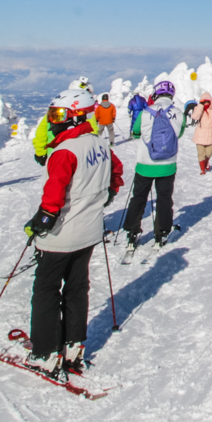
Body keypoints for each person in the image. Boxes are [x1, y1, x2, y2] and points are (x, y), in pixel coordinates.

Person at [22, 90, 123, 375]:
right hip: (90, 232)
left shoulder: (64, 151)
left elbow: (54, 194)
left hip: (61, 236)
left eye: (57, 115)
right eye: (52, 114)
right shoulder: (99, 144)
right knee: (77, 287)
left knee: (46, 290)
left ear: (74, 116)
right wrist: (106, 197)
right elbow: (116, 172)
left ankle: (45, 352)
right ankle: (73, 347)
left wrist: (44, 220)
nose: (53, 120)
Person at [123, 81, 181, 256]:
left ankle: (132, 232)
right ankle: (161, 232)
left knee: (138, 197)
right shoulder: (178, 113)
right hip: (167, 165)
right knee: (164, 198)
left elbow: (135, 131)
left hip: (145, 164)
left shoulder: (146, 111)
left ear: (156, 94)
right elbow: (180, 133)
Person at [188, 91, 212, 174]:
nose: (206, 103)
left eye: (207, 101)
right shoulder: (198, 109)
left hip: (210, 135)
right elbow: (195, 117)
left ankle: (206, 163)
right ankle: (202, 169)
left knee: (209, 153)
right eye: (204, 101)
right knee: (201, 154)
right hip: (200, 135)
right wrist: (200, 106)